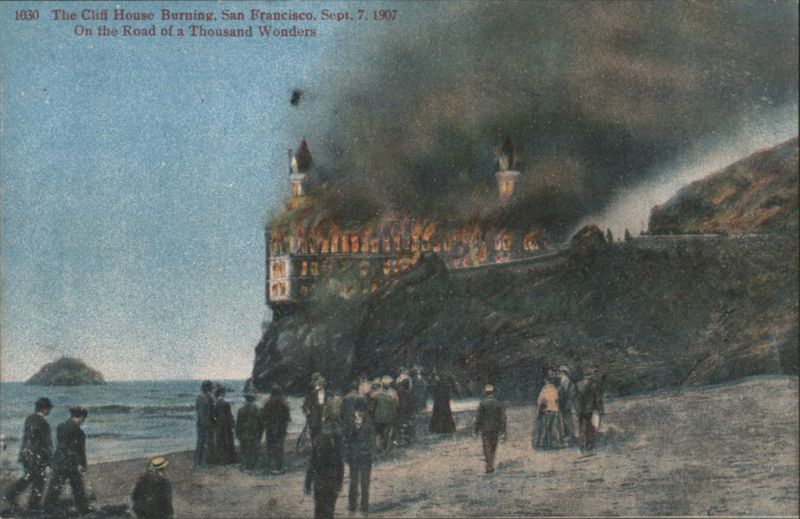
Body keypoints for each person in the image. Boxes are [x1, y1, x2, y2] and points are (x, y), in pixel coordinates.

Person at [4, 397, 53, 513]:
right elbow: (46, 445)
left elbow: (29, 439)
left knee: (29, 477)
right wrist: (49, 460)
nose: (50, 411)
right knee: (39, 481)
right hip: (37, 456)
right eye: (49, 409)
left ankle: (10, 494)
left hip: (26, 454)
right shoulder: (44, 424)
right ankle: (33, 506)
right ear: (45, 409)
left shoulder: (29, 419)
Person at [43, 406, 91, 515]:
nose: (84, 421)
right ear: (81, 417)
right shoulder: (78, 431)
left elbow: (63, 446)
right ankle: (83, 509)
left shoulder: (62, 426)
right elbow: (74, 449)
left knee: (56, 486)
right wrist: (81, 464)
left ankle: (47, 509)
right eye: (84, 418)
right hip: (69, 463)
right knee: (76, 487)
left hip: (60, 461)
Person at [304, 406, 344, 519]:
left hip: (320, 479)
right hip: (332, 478)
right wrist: (339, 483)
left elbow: (311, 464)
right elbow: (340, 463)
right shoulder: (338, 434)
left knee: (319, 509)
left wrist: (307, 484)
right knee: (330, 509)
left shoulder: (319, 435)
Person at [346, 400, 373, 514]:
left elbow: (372, 439)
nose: (361, 413)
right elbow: (346, 437)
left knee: (365, 482)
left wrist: (373, 453)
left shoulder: (369, 420)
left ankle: (364, 505)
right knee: (354, 481)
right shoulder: (350, 420)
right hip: (354, 455)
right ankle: (352, 505)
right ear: (355, 410)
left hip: (365, 455)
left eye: (363, 411)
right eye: (359, 411)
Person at [474, 385, 507, 473]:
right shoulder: (498, 403)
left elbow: (478, 418)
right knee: (493, 446)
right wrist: (503, 431)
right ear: (493, 392)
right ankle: (490, 463)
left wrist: (475, 430)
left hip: (485, 429)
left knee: (486, 447)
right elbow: (503, 418)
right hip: (495, 429)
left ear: (485, 393)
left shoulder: (482, 403)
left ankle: (489, 465)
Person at [262, 385, 291, 474]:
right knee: (279, 448)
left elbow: (263, 416)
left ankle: (272, 468)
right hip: (280, 429)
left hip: (270, 428)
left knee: (270, 447)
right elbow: (287, 417)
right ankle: (279, 468)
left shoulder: (267, 402)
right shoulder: (283, 403)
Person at [532, 374, 565, 450]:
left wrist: (539, 410)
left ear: (546, 381)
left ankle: (543, 444)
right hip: (555, 410)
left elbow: (540, 400)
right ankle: (555, 444)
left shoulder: (544, 389)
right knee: (554, 428)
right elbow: (559, 400)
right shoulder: (555, 389)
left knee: (545, 428)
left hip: (546, 411)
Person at [577, 370, 605, 452]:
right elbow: (597, 398)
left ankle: (582, 445)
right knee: (590, 427)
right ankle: (589, 445)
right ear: (590, 376)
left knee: (582, 428)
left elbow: (575, 397)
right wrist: (600, 409)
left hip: (580, 409)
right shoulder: (593, 385)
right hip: (591, 409)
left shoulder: (578, 384)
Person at [236, 393, 263, 470]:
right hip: (254, 432)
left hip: (244, 433)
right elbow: (261, 424)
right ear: (253, 399)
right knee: (253, 450)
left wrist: (238, 434)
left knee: (244, 449)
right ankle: (251, 466)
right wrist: (260, 434)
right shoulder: (258, 409)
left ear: (246, 399)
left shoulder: (241, 410)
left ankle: (245, 465)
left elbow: (238, 424)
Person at [370, 378, 397, 452]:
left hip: (377, 418)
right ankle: (384, 448)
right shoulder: (392, 395)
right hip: (387, 418)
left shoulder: (375, 395)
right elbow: (394, 407)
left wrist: (372, 415)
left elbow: (371, 407)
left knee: (378, 433)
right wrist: (393, 416)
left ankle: (378, 447)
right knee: (386, 433)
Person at [302, 373, 329, 444]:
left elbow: (327, 404)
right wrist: (308, 414)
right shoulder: (313, 393)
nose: (318, 386)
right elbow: (306, 405)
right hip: (314, 416)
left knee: (321, 433)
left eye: (321, 385)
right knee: (314, 434)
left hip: (322, 416)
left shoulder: (326, 393)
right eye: (318, 385)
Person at [212, 386, 236, 464]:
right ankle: (229, 458)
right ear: (222, 394)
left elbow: (213, 415)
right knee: (227, 440)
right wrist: (233, 424)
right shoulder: (226, 403)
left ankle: (220, 459)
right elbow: (229, 415)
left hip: (219, 423)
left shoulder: (215, 404)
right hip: (226, 423)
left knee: (219, 441)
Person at [557, 366, 580, 445]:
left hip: (569, 405)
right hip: (565, 405)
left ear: (564, 373)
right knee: (566, 420)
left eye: (561, 372)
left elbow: (571, 395)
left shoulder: (568, 382)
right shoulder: (562, 382)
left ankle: (572, 436)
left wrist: (566, 403)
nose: (559, 374)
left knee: (570, 420)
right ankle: (569, 435)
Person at [194, 380, 215, 466]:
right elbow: (212, 411)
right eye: (210, 387)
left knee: (200, 442)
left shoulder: (199, 397)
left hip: (200, 423)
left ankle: (197, 461)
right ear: (208, 388)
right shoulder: (209, 397)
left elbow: (197, 409)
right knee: (209, 443)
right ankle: (208, 462)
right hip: (208, 423)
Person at [396, 378, 417, 445]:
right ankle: (409, 438)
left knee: (403, 424)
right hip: (409, 410)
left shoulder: (401, 391)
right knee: (409, 424)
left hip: (403, 409)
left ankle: (404, 438)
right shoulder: (411, 391)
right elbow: (414, 400)